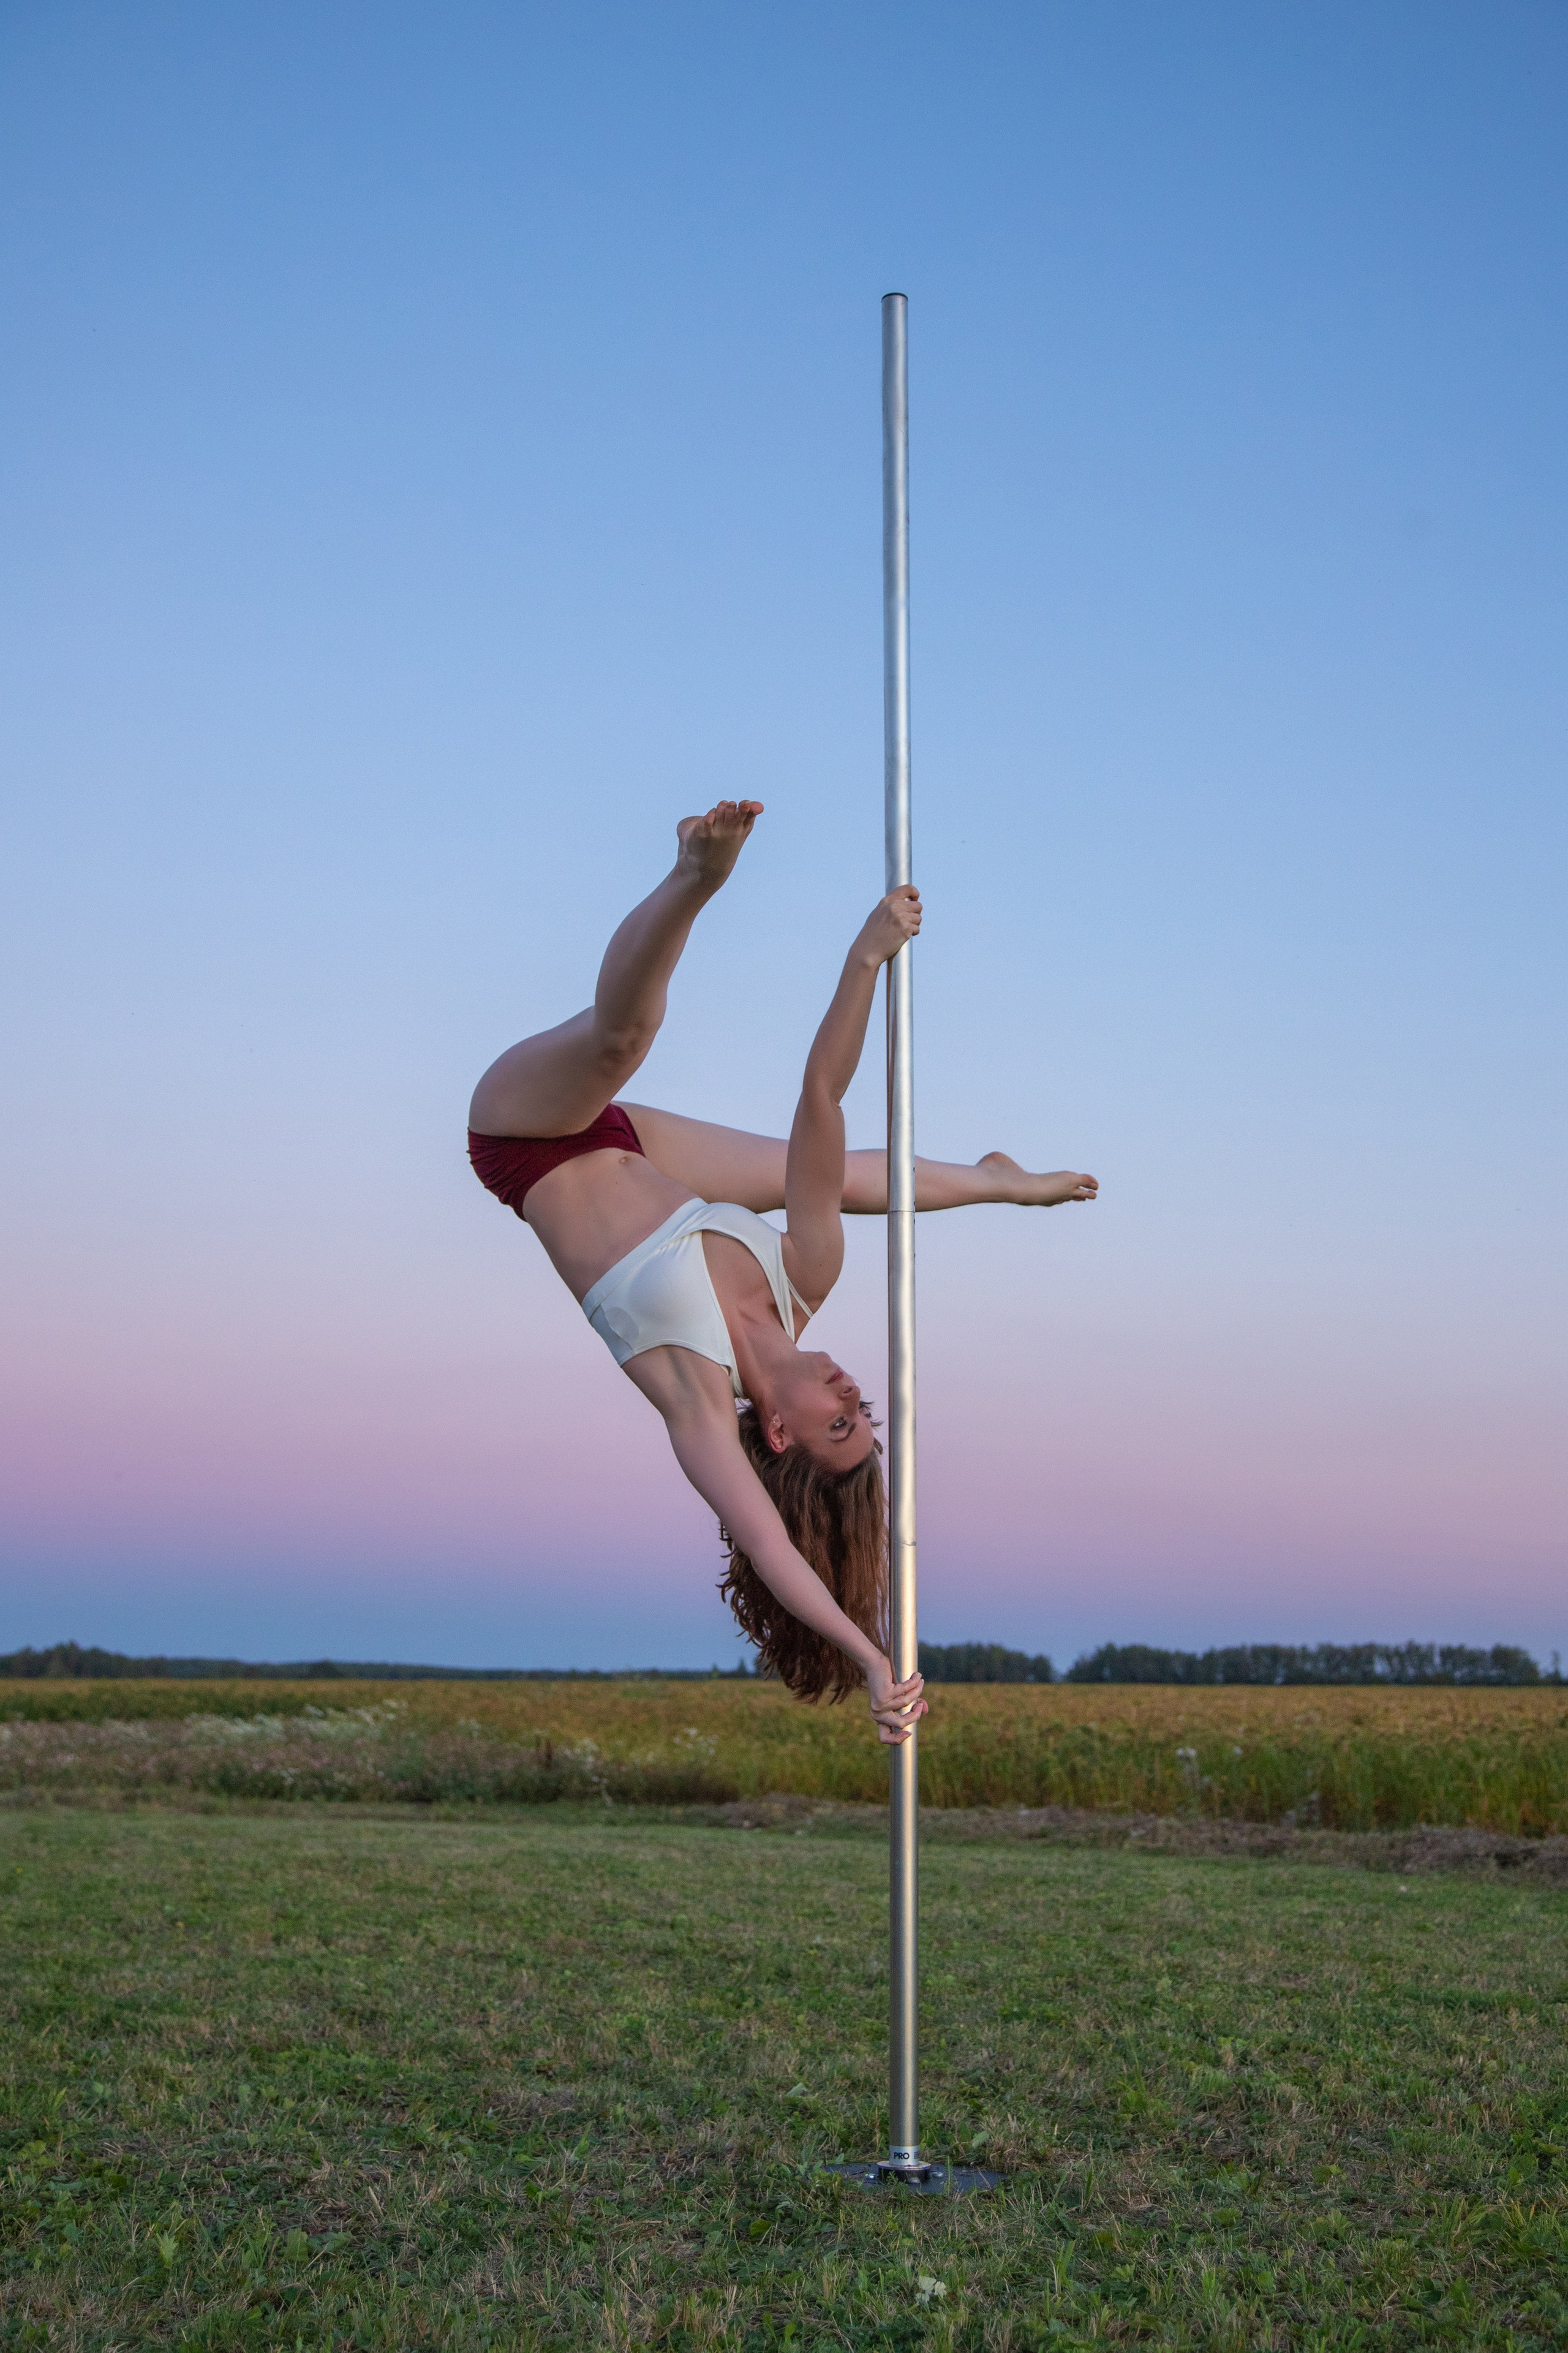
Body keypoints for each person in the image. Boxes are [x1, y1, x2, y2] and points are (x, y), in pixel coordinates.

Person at [468, 802, 1097, 1744]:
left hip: (526, 1141)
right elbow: (821, 1097)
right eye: (863, 1416)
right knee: (835, 1179)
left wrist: (873, 1656)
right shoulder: (807, 1274)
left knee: (619, 1041)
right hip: (639, 1147)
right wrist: (864, 960)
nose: (853, 1392)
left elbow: (768, 1544)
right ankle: (994, 1182)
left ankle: (696, 874)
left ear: (778, 1430)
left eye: (837, 1421)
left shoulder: (692, 1391)